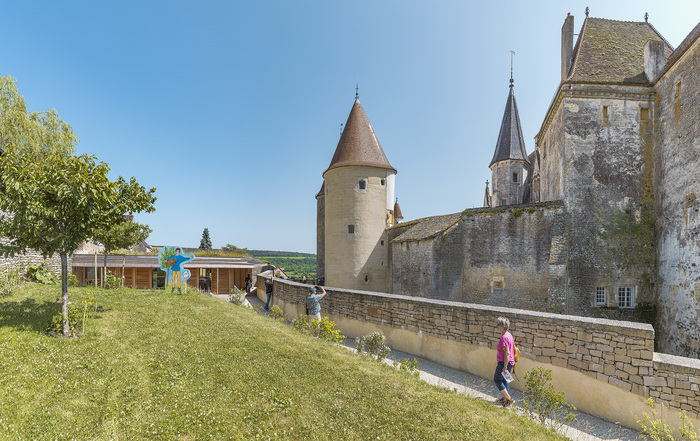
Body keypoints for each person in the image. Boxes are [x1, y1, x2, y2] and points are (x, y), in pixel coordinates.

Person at [494, 316, 515, 407]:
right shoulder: (508, 335)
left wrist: (504, 367)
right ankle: (505, 399)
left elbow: (507, 352)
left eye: (499, 324)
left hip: (504, 362)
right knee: (504, 380)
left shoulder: (504, 338)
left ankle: (509, 399)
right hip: (510, 362)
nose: (497, 326)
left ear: (504, 327)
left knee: (497, 380)